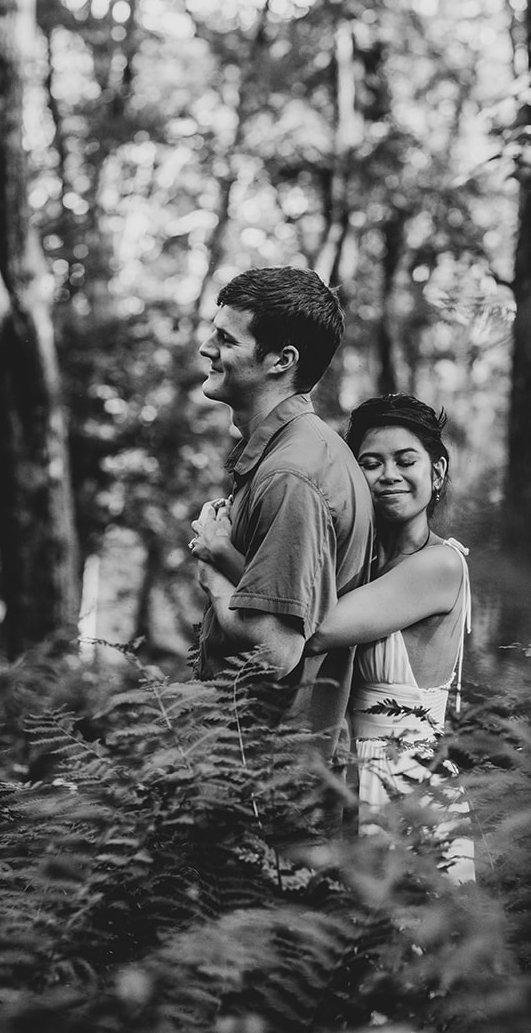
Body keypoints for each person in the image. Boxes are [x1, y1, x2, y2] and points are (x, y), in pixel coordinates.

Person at [195, 394, 475, 883]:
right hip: (346, 774)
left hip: (405, 779)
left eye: (405, 461)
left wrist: (221, 563)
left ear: (437, 473)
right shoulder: (360, 569)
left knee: (410, 943)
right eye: (370, 463)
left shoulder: (440, 566)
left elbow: (314, 629)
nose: (388, 474)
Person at [190, 266, 373, 763]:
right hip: (258, 768)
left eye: (226, 339)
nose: (207, 348)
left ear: (281, 360)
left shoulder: (292, 475)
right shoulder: (286, 455)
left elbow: (275, 654)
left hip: (275, 777)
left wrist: (212, 573)